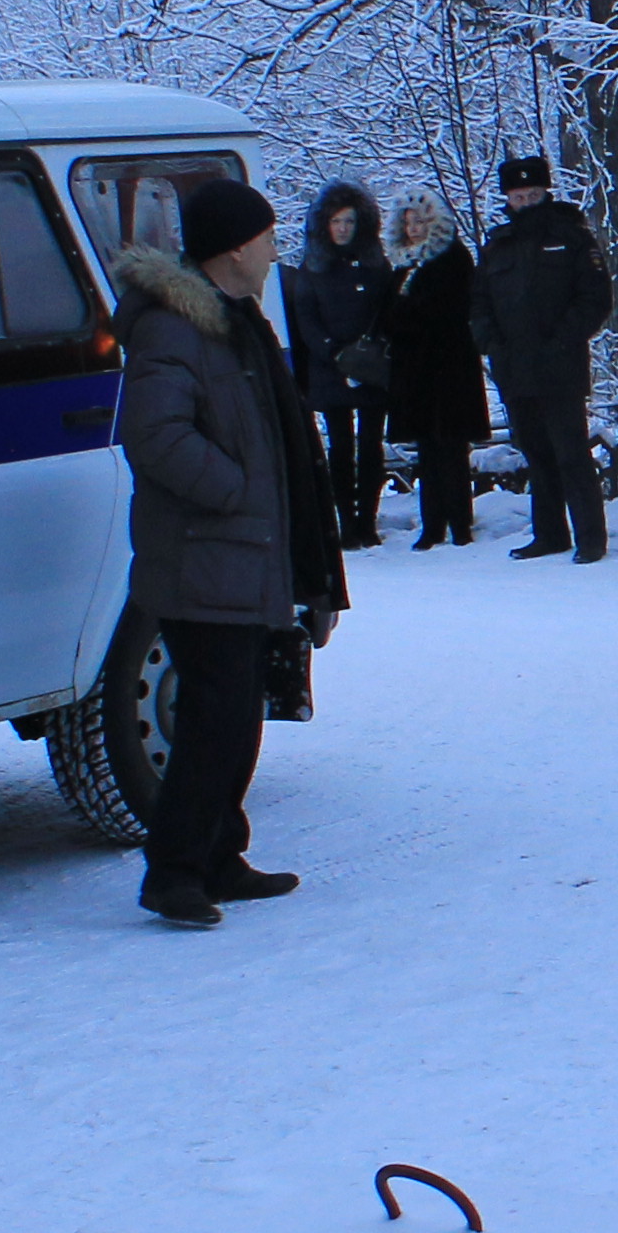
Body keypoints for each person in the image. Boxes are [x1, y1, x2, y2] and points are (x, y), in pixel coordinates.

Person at [110, 179, 344, 928]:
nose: (278, 252)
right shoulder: (176, 330)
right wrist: (236, 490)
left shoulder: (235, 323)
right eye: (269, 238)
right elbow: (155, 438)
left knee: (237, 717)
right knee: (215, 720)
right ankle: (174, 872)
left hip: (241, 553)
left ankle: (219, 857)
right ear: (237, 248)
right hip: (202, 557)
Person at [470, 152, 612, 563]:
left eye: (534, 193)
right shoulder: (498, 245)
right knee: (536, 453)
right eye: (519, 195)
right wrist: (491, 343)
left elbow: (595, 297)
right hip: (513, 366)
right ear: (508, 199)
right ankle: (550, 534)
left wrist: (563, 340)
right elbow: (479, 303)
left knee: (571, 452)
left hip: (560, 363)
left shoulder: (571, 236)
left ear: (545, 192)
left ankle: (590, 537)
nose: (527, 201)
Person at [287, 183, 396, 552]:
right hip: (330, 366)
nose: (343, 228)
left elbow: (388, 309)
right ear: (325, 224)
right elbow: (306, 318)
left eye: (349, 220)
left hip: (372, 368)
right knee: (340, 448)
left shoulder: (376, 264)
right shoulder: (313, 268)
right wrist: (333, 352)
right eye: (336, 221)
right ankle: (346, 522)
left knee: (371, 447)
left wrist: (373, 350)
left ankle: (368, 519)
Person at [384, 198, 488, 547]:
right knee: (426, 450)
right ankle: (432, 525)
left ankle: (460, 522)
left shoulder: (452, 258)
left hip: (449, 366)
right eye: (410, 223)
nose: (415, 230)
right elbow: (389, 312)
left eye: (421, 222)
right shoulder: (401, 264)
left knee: (452, 446)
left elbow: (448, 308)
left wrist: (408, 312)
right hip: (415, 371)